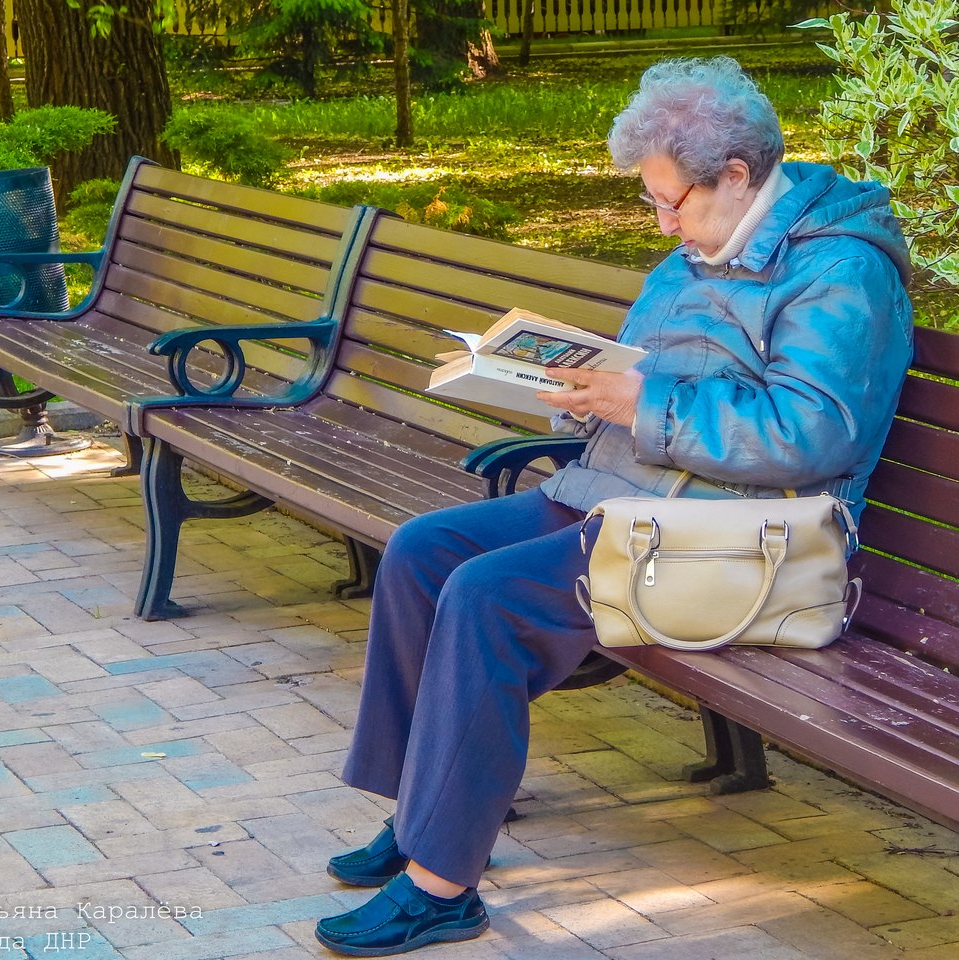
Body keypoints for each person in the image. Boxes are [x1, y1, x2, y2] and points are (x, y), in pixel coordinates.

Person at [313, 56, 915, 957]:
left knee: (487, 597)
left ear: (739, 175)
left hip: (751, 544)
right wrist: (583, 390)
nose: (664, 224)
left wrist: (642, 404)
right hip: (634, 498)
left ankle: (442, 888)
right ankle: (420, 816)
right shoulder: (699, 248)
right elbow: (652, 373)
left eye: (674, 201)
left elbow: (814, 433)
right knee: (421, 552)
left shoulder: (840, 271)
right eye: (654, 204)